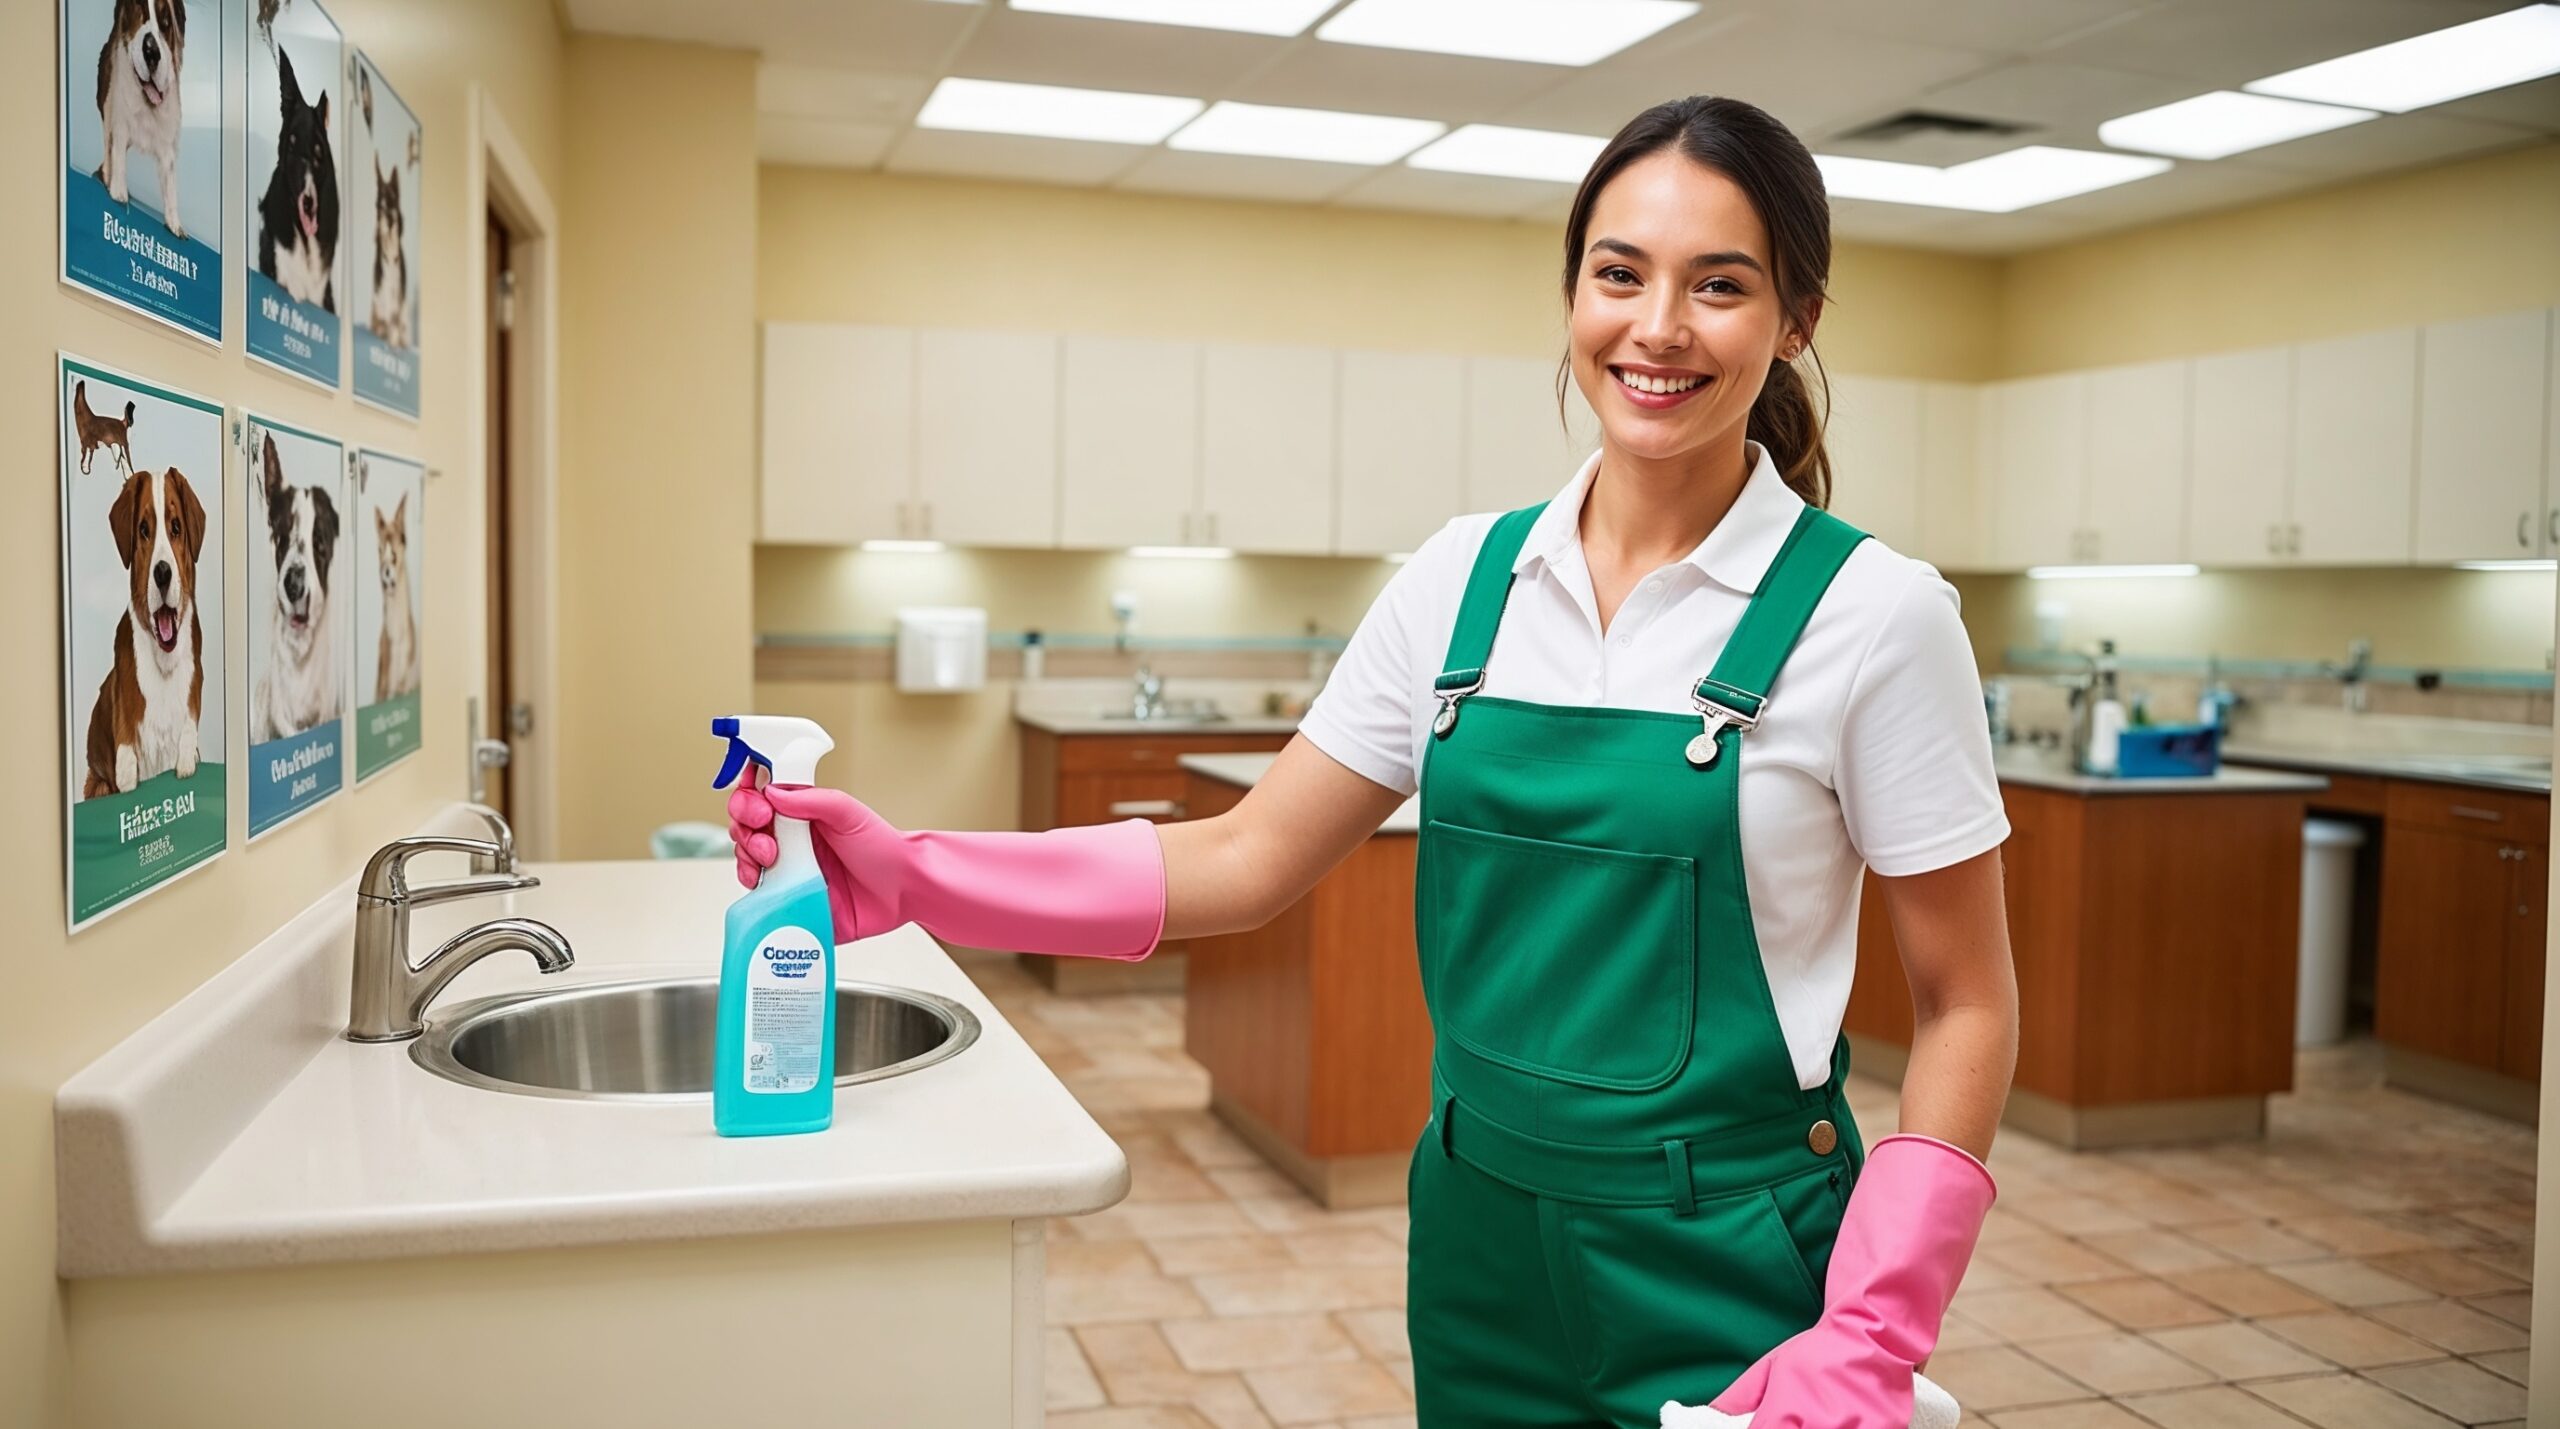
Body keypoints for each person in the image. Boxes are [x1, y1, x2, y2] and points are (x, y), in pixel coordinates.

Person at [730, 93, 2018, 1429]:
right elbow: (1243, 854)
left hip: (1733, 1259)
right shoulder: (1463, 580)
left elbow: (1966, 997)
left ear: (1795, 319)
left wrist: (1872, 1329)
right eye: (1619, 273)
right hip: (1479, 1248)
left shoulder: (1876, 615)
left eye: (1721, 287)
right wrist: (918, 874)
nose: (1658, 328)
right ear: (1573, 291)